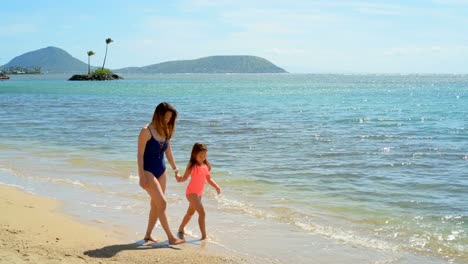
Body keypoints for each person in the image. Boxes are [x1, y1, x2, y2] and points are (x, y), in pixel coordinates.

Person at [137, 102, 184, 245]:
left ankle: (148, 235)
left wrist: (176, 170)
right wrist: (141, 177)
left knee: (156, 205)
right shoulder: (146, 131)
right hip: (148, 171)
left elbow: (168, 151)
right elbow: (140, 155)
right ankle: (171, 237)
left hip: (162, 170)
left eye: (170, 118)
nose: (167, 120)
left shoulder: (166, 130)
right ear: (158, 114)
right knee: (162, 203)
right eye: (165, 117)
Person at [176, 143, 221, 240]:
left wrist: (216, 186)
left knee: (190, 213)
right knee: (202, 213)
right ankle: (204, 236)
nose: (202, 158)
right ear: (194, 154)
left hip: (199, 194)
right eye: (200, 156)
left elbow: (209, 179)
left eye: (204, 156)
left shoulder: (205, 166)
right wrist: (178, 177)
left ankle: (181, 228)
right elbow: (184, 178)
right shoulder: (192, 166)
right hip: (191, 193)